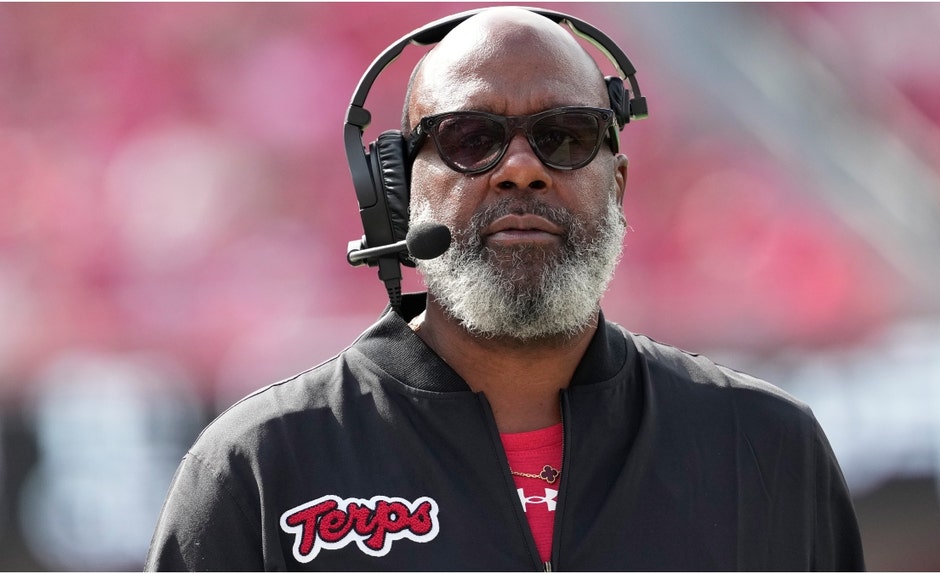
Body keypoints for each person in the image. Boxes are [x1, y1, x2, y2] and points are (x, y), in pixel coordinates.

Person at [145, 7, 865, 571]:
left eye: (567, 135)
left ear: (617, 184)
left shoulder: (768, 449)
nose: (521, 169)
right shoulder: (259, 469)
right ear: (397, 194)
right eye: (468, 139)